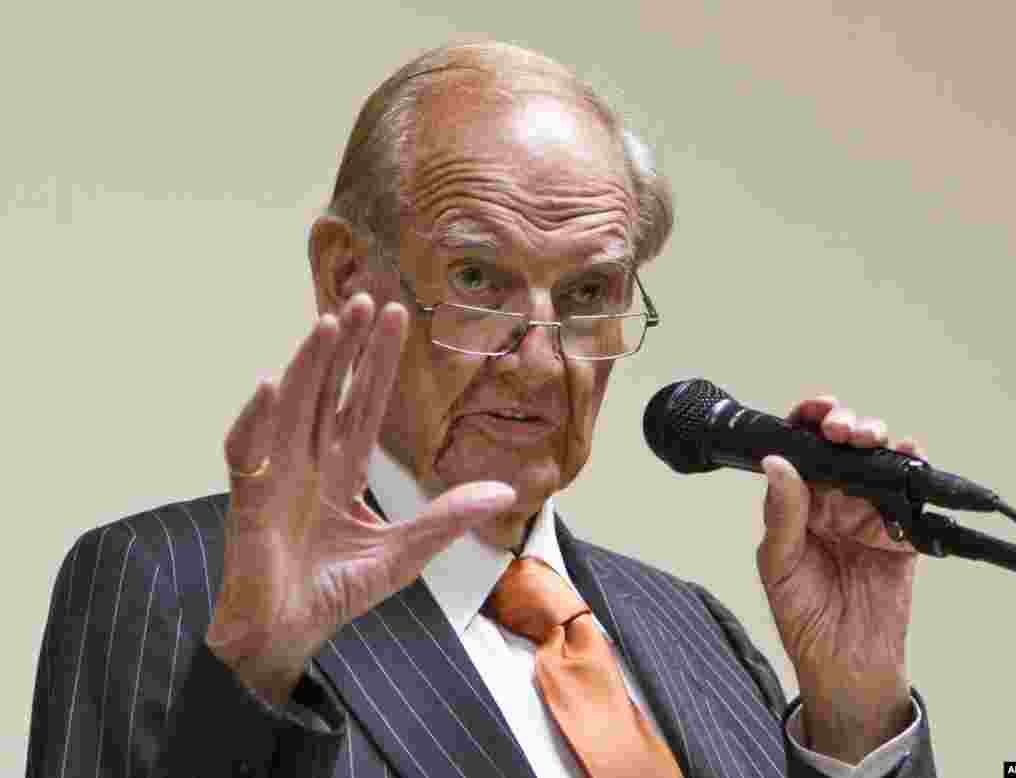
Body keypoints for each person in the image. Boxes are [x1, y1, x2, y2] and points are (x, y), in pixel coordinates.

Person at [27, 41, 937, 777]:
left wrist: (854, 711)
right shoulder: (172, 583)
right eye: (477, 279)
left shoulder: (693, 629)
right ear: (347, 276)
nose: (540, 361)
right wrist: (256, 672)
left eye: (588, 294)